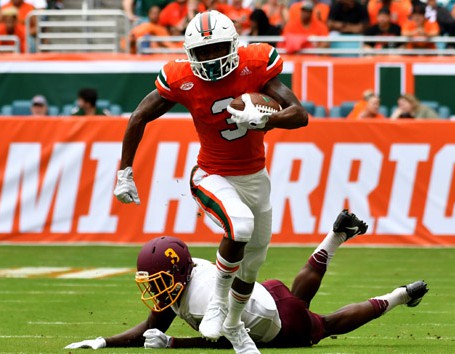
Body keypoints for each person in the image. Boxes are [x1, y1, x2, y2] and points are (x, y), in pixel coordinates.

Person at [112, 10, 308, 354]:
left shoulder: (256, 64)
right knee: (241, 226)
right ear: (189, 54)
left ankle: (233, 325)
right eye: (202, 52)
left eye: (216, 49)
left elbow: (300, 114)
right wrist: (124, 171)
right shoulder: (181, 77)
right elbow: (139, 116)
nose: (210, 58)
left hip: (254, 177)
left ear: (233, 45)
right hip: (211, 175)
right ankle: (218, 306)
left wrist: (268, 121)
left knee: (254, 261)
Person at [64, 210, 429, 351]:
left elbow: (222, 344)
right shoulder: (192, 273)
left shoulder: (200, 298)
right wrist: (103, 341)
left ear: (177, 273)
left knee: (325, 324)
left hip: (275, 323)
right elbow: (149, 326)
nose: (155, 289)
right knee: (298, 298)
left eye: (159, 280)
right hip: (261, 295)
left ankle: (398, 295)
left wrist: (175, 343)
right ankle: (333, 238)